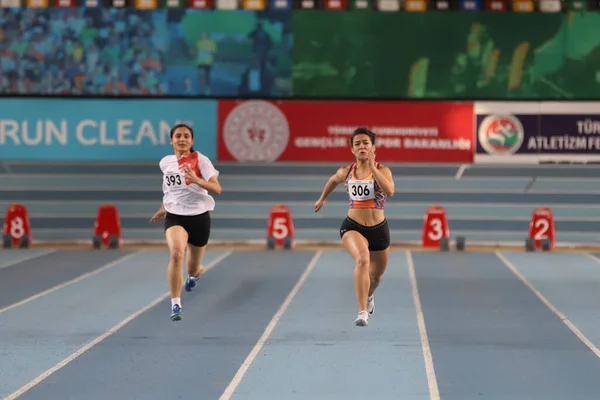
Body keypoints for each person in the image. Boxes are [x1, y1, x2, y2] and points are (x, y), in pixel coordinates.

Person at [314, 127, 394, 327]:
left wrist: (373, 168)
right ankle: (362, 311)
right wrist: (322, 198)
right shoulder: (346, 171)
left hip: (379, 229)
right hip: (353, 226)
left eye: (365, 143)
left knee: (376, 277)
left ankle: (369, 296)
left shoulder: (383, 170)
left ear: (373, 147)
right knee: (362, 259)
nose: (361, 147)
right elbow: (333, 180)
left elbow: (390, 191)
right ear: (352, 149)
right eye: (357, 144)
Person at [150, 123, 222, 321]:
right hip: (175, 216)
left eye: (186, 136)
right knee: (176, 254)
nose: (182, 139)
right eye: (178, 136)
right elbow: (169, 189)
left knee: (193, 267)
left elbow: (217, 188)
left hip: (199, 217)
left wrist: (197, 180)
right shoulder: (166, 162)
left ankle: (195, 275)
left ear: (192, 141)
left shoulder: (201, 160)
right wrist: (164, 207)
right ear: (171, 140)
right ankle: (176, 304)